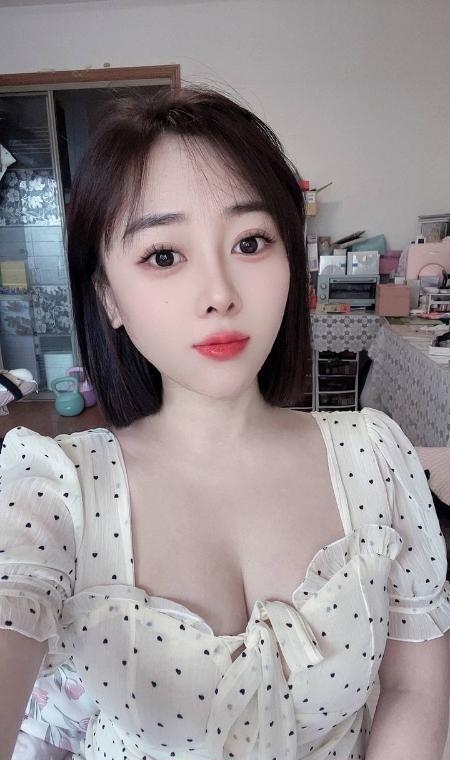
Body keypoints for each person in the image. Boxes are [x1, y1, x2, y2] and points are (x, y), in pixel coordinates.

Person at [1, 85, 450, 760]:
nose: (219, 294)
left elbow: (415, 688)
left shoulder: (376, 456)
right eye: (163, 255)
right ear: (108, 297)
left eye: (250, 241)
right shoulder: (53, 489)